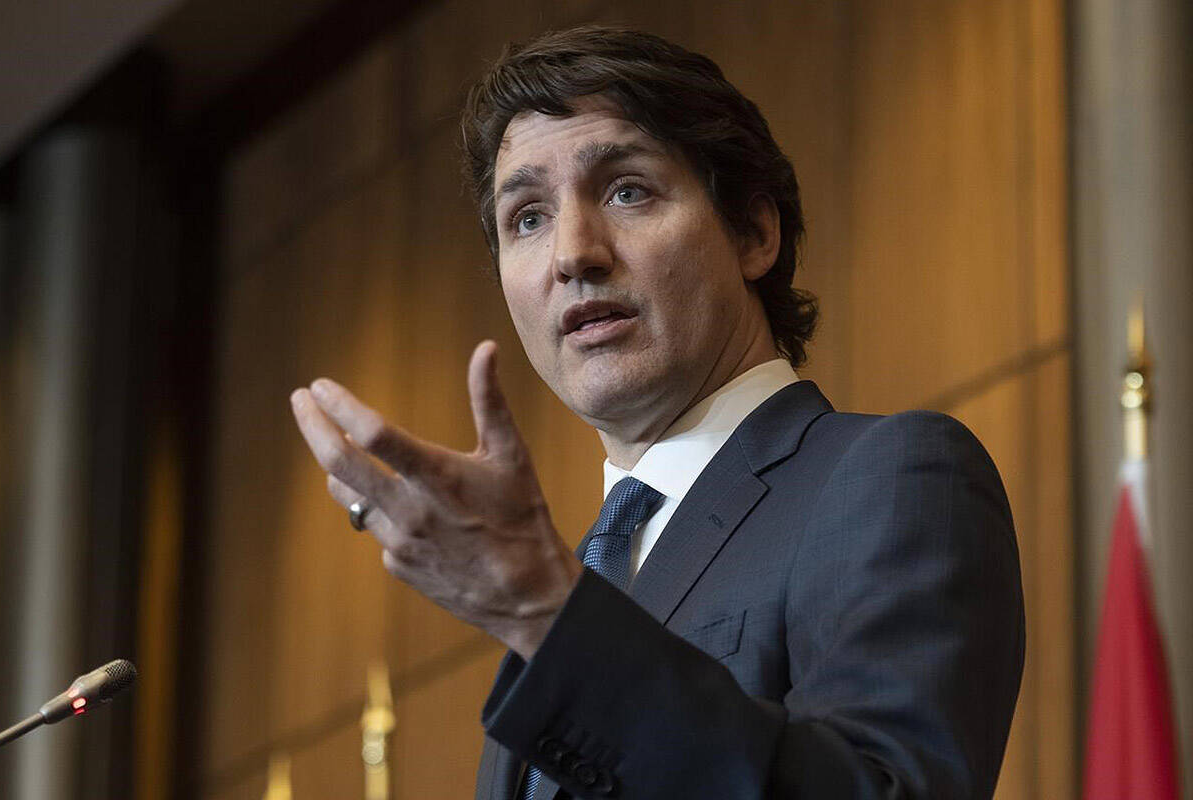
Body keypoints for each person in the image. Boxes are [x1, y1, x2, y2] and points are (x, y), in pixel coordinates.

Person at [290, 26, 1024, 800]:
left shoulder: (889, 477)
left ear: (753, 232)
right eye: (528, 218)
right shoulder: (575, 575)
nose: (573, 251)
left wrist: (546, 614)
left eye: (626, 190)